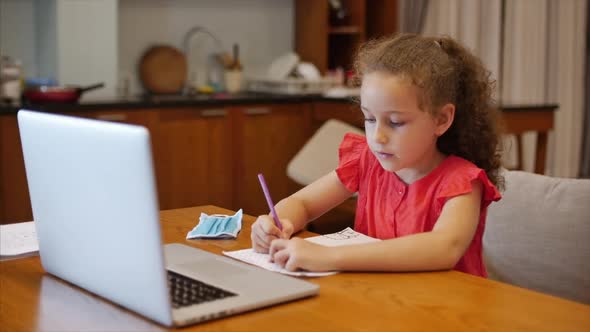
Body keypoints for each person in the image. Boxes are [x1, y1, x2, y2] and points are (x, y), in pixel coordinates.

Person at [251, 33, 504, 277]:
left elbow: (443, 248)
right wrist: (278, 224)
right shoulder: (367, 161)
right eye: (370, 119)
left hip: (447, 310)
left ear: (441, 119)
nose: (377, 137)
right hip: (379, 303)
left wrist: (328, 257)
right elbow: (303, 204)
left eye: (395, 122)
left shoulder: (462, 182)